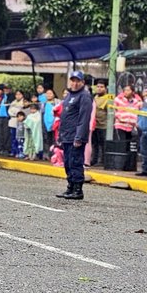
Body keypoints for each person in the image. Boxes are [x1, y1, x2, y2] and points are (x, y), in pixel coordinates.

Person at [55, 71, 92, 200]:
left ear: (82, 82)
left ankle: (77, 189)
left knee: (75, 162)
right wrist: (60, 135)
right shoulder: (69, 95)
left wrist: (79, 137)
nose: (75, 83)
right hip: (66, 134)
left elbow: (84, 118)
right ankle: (70, 186)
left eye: (78, 81)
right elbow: (65, 116)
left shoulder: (84, 96)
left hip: (75, 136)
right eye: (73, 80)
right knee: (67, 163)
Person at [91, 80, 113, 165]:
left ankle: (103, 161)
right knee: (94, 144)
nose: (99, 89)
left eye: (101, 87)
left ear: (105, 88)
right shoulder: (94, 97)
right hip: (94, 125)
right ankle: (94, 160)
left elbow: (110, 111)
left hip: (104, 126)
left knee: (103, 144)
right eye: (98, 87)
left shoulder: (109, 98)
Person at [6, 89, 27, 157]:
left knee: (19, 138)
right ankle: (13, 151)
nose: (18, 96)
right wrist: (15, 113)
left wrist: (16, 113)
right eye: (16, 94)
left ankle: (19, 152)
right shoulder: (13, 102)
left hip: (20, 122)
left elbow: (21, 111)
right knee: (13, 137)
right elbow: (9, 111)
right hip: (12, 121)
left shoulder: (24, 102)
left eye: (19, 94)